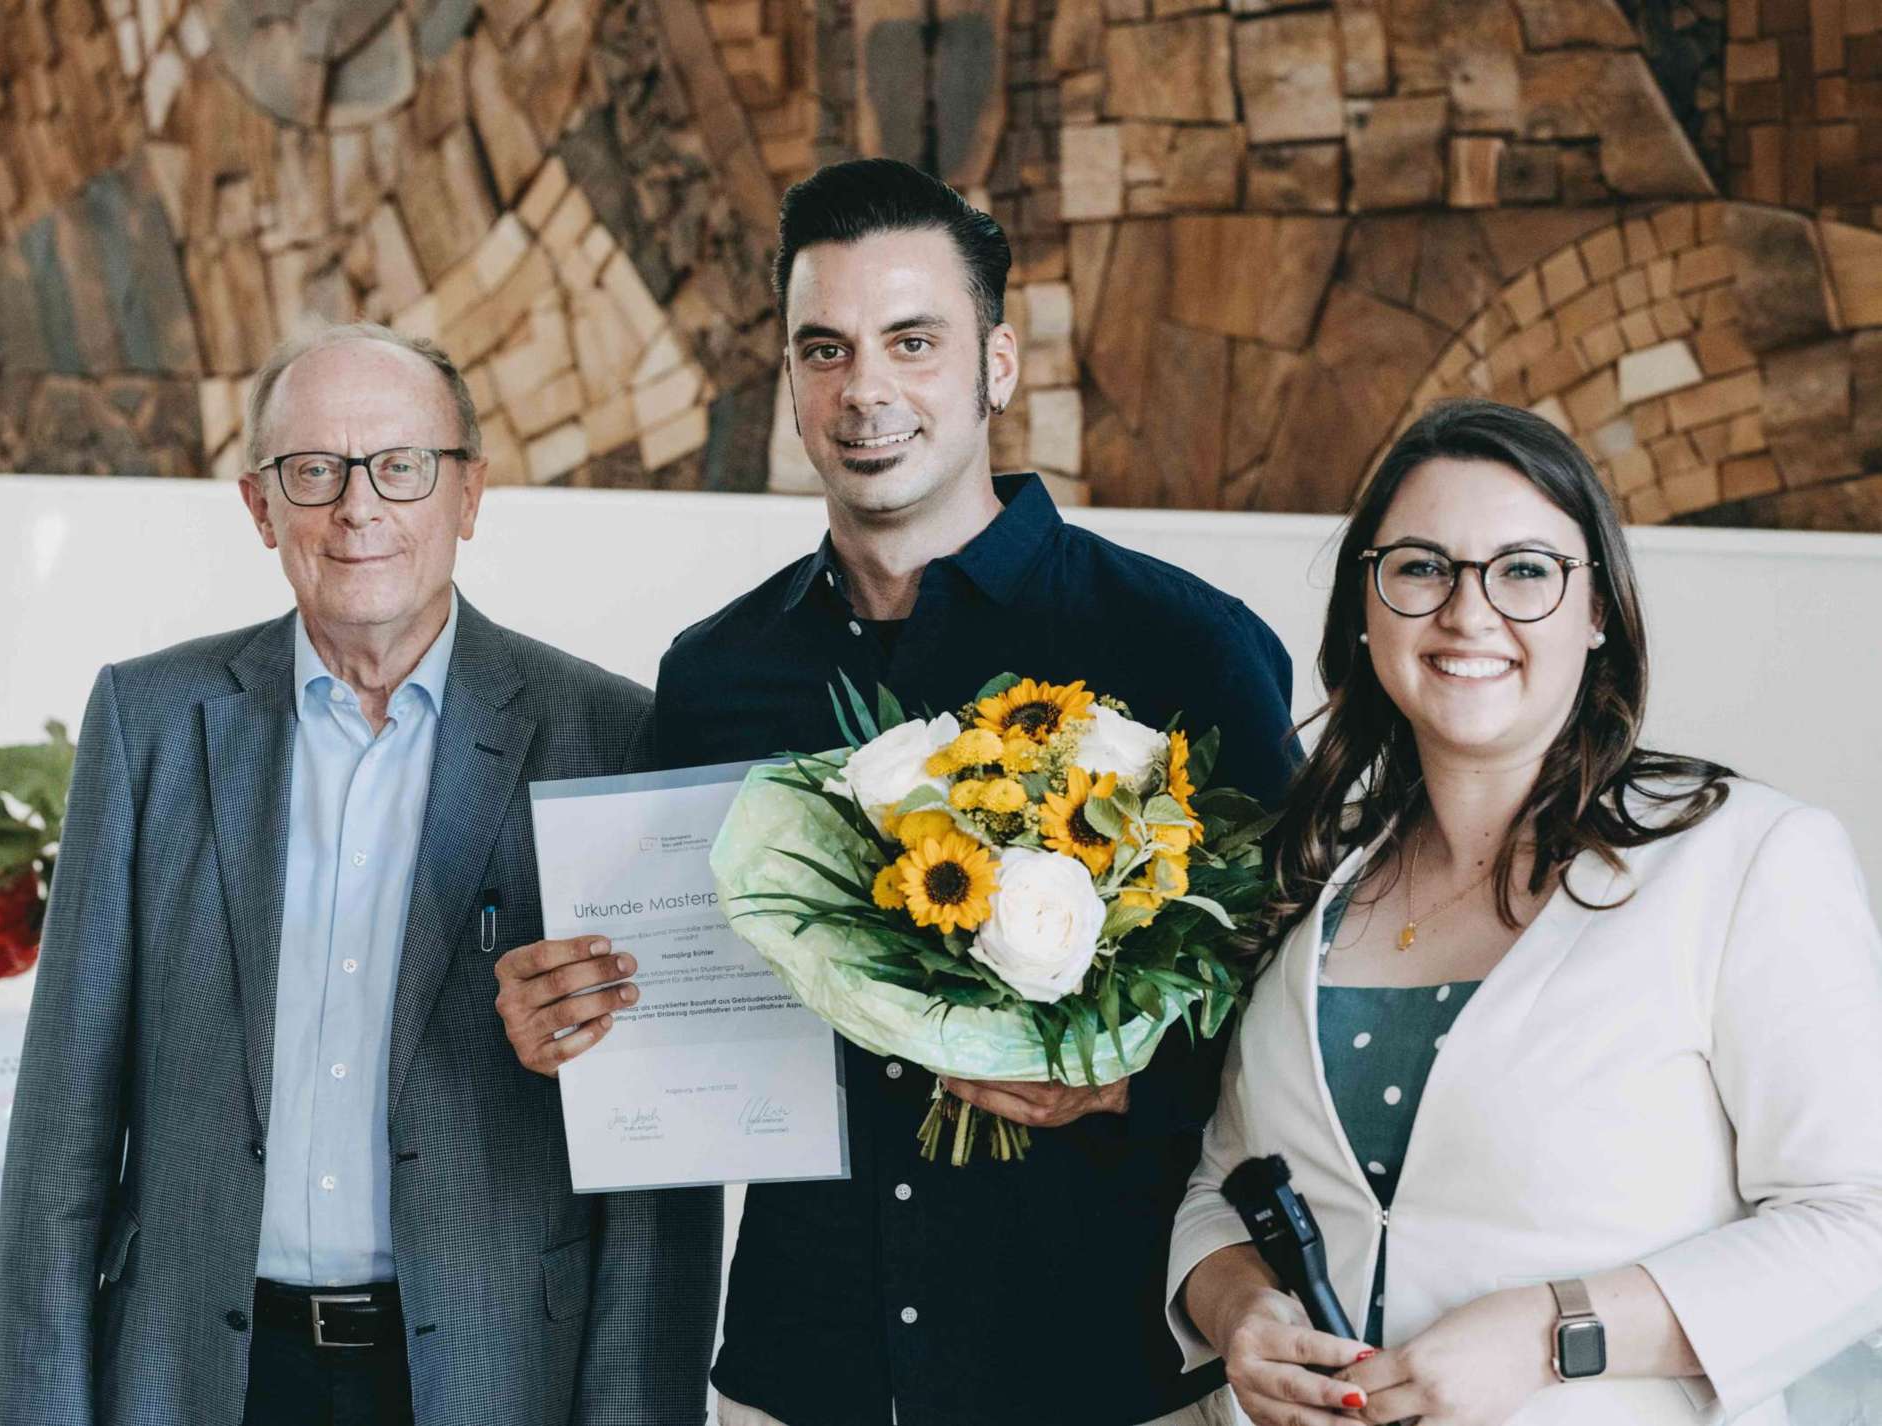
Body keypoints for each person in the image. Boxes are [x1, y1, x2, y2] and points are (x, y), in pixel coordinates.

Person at [491, 159, 1299, 1425]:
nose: (865, 389)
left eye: (910, 342)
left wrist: (1124, 1079)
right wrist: (577, 1027)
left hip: (1098, 1372)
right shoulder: (717, 675)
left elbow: (1288, 990)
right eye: (825, 350)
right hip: (800, 1374)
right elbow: (689, 995)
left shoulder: (1178, 647)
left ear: (996, 364)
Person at [0, 324, 720, 1426]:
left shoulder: (606, 733)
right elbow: (60, 1140)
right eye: (313, 471)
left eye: (400, 465)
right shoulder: (148, 724)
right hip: (196, 1374)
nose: (358, 507)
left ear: (467, 494)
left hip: (491, 1374)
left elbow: (659, 1165)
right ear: (259, 506)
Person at [1168, 398, 1882, 1426]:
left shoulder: (1747, 859)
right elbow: (1221, 1183)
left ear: (1597, 610)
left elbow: (1858, 1222)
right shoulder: (1304, 874)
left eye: (1524, 570)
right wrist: (1241, 1313)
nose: (1468, 612)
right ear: (1365, 607)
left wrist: (1556, 1333)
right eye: (1420, 566)